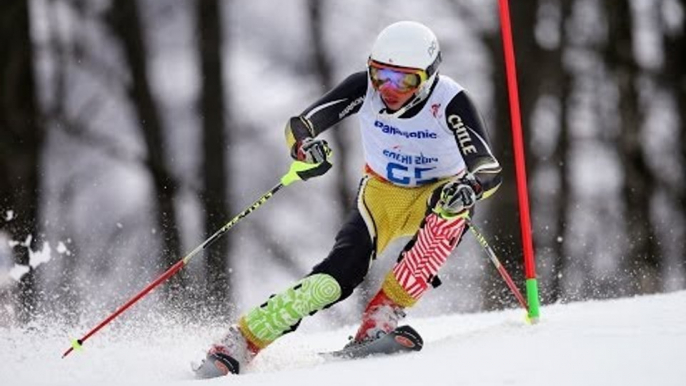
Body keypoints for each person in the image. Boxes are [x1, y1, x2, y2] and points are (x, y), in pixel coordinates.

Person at [194, 20, 502, 377]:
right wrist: (305, 148)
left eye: (405, 80)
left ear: (428, 77)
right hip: (382, 196)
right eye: (380, 74)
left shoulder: (451, 101)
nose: (389, 88)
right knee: (332, 282)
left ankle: (381, 317)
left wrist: (470, 186)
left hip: (437, 194)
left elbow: (487, 167)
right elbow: (301, 124)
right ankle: (239, 342)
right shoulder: (364, 88)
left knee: (453, 207)